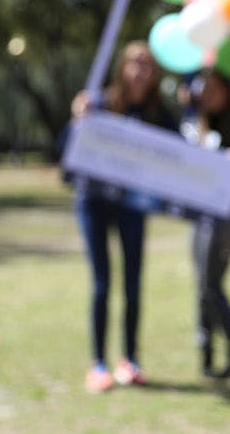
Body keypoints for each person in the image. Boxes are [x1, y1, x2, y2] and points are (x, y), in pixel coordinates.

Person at [69, 40, 177, 392]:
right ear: (122, 67)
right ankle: (97, 363)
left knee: (133, 284)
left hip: (133, 205)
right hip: (94, 201)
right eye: (134, 62)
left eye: (147, 63)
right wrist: (78, 119)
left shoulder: (159, 114)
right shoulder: (97, 104)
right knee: (102, 283)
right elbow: (68, 147)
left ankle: (129, 360)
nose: (140, 70)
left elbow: (184, 154)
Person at [180, 70, 230, 378]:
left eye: (214, 89)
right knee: (203, 285)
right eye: (203, 89)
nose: (208, 94)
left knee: (211, 285)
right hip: (199, 214)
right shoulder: (193, 124)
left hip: (226, 216)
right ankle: (208, 352)